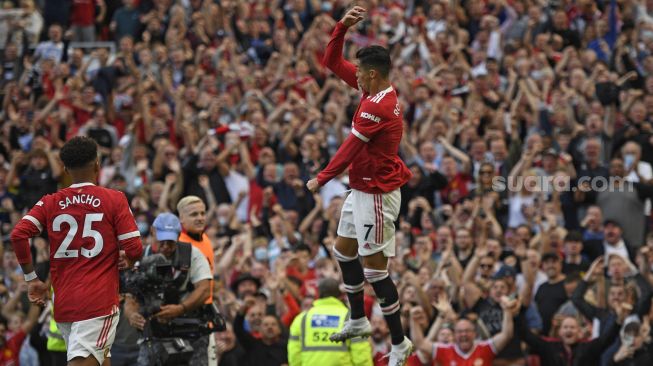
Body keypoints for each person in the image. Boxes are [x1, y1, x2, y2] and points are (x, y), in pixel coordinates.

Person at [306, 6, 413, 365]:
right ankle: (356, 319)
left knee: (375, 272)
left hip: (378, 195)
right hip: (362, 188)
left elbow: (351, 147)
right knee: (342, 251)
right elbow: (330, 62)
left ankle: (399, 344)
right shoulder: (372, 89)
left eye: (360, 77)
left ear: (371, 75)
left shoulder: (378, 108)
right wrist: (341, 27)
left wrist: (322, 177)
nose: (356, 82)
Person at [10, 136, 143, 366]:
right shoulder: (114, 199)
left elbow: (18, 235)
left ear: (65, 169)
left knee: (102, 360)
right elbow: (134, 248)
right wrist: (129, 259)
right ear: (97, 164)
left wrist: (31, 278)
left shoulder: (50, 202)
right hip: (97, 302)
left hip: (64, 304)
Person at [123, 212, 212, 366]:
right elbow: (131, 297)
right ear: (152, 232)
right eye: (161, 241)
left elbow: (204, 289)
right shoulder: (141, 257)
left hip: (188, 328)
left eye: (170, 242)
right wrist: (132, 315)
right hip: (154, 330)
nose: (165, 247)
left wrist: (181, 308)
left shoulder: (192, 254)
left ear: (178, 236)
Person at [288, 278, 373, 366]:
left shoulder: (302, 319)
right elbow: (361, 355)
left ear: (318, 295)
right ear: (340, 296)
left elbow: (294, 355)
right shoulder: (351, 318)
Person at [410, 296, 517, 366]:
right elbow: (420, 343)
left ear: (475, 334)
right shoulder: (445, 350)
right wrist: (413, 319)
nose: (464, 334)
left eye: (467, 331)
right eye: (460, 332)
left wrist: (507, 310)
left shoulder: (485, 348)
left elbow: (507, 335)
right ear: (455, 335)